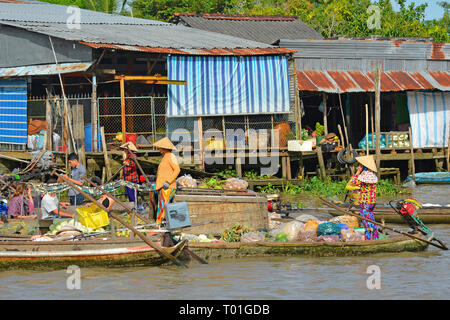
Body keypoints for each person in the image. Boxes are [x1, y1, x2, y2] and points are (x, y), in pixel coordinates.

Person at [350, 155, 379, 240]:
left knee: (366, 220)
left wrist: (357, 173)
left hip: (365, 202)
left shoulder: (364, 176)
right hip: (372, 202)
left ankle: (368, 237)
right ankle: (375, 236)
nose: (358, 167)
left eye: (360, 165)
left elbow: (353, 182)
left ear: (363, 167)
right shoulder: (372, 175)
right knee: (371, 219)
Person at [152, 137, 180, 224]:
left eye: (160, 147)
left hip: (168, 186)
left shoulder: (171, 156)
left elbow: (177, 170)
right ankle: (162, 224)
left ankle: (158, 225)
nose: (159, 149)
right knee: (162, 206)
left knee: (162, 207)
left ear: (164, 148)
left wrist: (168, 181)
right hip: (162, 186)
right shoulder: (165, 157)